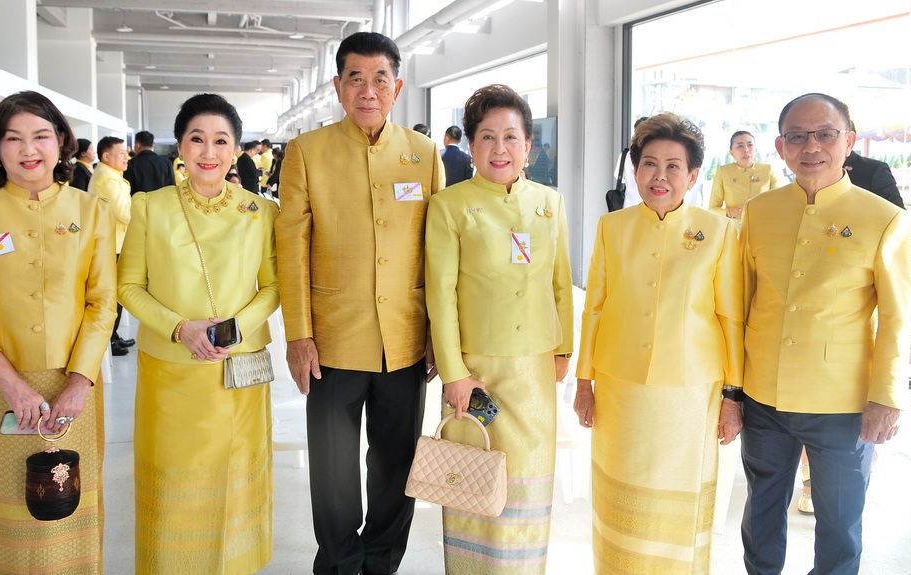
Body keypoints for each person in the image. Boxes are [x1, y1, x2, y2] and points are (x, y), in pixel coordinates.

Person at [276, 31, 443, 575]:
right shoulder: (308, 153)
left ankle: (382, 564)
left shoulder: (423, 154)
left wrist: (438, 333)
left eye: (379, 79)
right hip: (332, 339)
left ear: (397, 87)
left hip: (405, 338)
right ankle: (339, 563)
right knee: (333, 469)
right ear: (337, 86)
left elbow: (438, 249)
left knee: (397, 465)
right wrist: (298, 333)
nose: (368, 91)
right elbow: (292, 248)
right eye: (355, 78)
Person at [0, 90, 116, 574]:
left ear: (61, 142)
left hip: (73, 386)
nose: (28, 149)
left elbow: (102, 303)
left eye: (41, 136)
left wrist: (79, 381)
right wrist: (12, 386)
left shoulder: (91, 210)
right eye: (13, 138)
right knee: (8, 506)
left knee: (65, 498)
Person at [739, 93, 911, 575]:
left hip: (842, 403)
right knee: (760, 512)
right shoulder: (760, 211)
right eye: (797, 136)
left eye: (825, 134)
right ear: (781, 146)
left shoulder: (884, 218)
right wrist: (733, 390)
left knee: (839, 525)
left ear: (849, 141)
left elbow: (897, 317)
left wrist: (887, 396)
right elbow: (741, 303)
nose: (811, 146)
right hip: (763, 394)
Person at [574, 112, 743, 573]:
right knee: (620, 491)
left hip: (691, 393)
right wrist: (584, 383)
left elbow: (730, 317)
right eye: (649, 164)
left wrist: (732, 396)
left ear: (693, 175)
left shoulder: (718, 231)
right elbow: (595, 308)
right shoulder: (612, 227)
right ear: (635, 171)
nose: (660, 176)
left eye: (673, 166)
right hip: (620, 388)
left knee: (679, 500)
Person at [118, 93, 279, 572]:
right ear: (180, 147)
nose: (209, 152)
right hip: (172, 372)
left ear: (236, 150)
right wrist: (179, 328)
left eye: (221, 141)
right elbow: (128, 285)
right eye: (197, 139)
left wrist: (232, 329)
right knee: (176, 479)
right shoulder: (150, 207)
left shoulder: (260, 212)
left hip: (239, 367)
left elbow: (274, 288)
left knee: (237, 475)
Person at [426, 84, 573, 574]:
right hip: (476, 374)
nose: (500, 148)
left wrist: (563, 351)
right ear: (471, 144)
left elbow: (560, 283)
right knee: (474, 482)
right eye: (487, 136)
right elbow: (440, 295)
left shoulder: (550, 203)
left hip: (534, 372)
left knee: (528, 488)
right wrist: (453, 372)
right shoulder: (450, 205)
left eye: (511, 137)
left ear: (528, 144)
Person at [88, 136, 135, 357]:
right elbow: (124, 212)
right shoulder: (107, 179)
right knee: (114, 295)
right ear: (106, 156)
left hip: (115, 243)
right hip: (112, 245)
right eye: (121, 154)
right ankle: (109, 339)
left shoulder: (110, 176)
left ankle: (113, 336)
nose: (127, 158)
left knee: (115, 295)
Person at [709, 130, 780, 219]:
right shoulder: (723, 172)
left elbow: (779, 203)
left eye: (750, 145)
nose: (746, 150)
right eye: (740, 146)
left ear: (756, 149)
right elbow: (712, 209)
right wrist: (731, 212)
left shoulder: (768, 170)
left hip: (764, 223)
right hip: (735, 225)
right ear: (731, 152)